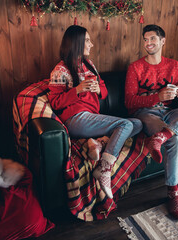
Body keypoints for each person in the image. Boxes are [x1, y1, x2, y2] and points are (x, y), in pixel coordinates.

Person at [125, 24, 178, 220]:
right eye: (145, 39)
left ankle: (164, 134)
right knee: (175, 140)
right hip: (146, 114)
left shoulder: (174, 66)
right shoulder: (135, 68)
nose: (148, 43)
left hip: (169, 114)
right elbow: (129, 102)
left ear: (163, 41)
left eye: (153, 39)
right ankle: (173, 192)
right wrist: (157, 96)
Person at [48, 25, 142, 199]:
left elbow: (104, 91)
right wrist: (76, 90)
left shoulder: (89, 65)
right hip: (75, 119)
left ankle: (99, 143)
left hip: (92, 117)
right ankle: (104, 169)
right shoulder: (60, 70)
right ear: (77, 43)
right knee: (126, 124)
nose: (91, 45)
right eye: (88, 41)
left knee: (138, 124)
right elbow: (55, 103)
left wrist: (98, 89)